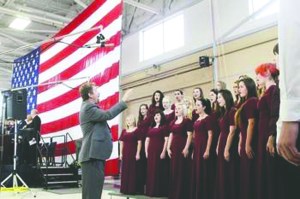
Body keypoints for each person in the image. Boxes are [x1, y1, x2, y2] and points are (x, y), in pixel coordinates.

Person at [78, 82, 132, 199]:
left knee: (93, 193)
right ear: (90, 94)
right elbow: (108, 114)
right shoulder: (88, 108)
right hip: (91, 156)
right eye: (96, 90)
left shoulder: (89, 107)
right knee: (92, 194)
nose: (99, 93)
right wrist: (123, 101)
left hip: (94, 156)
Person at [235, 77, 258, 199]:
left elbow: (251, 123)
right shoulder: (245, 102)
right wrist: (240, 143)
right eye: (238, 87)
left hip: (251, 141)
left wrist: (247, 144)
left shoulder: (251, 101)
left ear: (249, 87)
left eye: (242, 86)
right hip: (244, 139)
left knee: (250, 172)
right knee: (245, 172)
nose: (239, 89)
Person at [215, 89, 239, 199]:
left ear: (226, 97)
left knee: (229, 170)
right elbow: (221, 131)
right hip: (222, 142)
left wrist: (226, 149)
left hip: (229, 144)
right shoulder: (224, 112)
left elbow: (232, 131)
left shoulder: (232, 111)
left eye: (220, 97)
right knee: (222, 171)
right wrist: (218, 145)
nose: (217, 99)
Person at [167, 103, 193, 199]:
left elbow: (189, 135)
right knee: (174, 169)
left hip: (182, 147)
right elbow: (171, 135)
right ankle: (174, 194)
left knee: (182, 169)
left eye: (179, 108)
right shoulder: (172, 122)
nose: (176, 110)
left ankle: (182, 194)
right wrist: (168, 148)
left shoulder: (187, 121)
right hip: (174, 148)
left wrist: (186, 148)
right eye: (176, 108)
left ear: (183, 110)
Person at [190, 98, 214, 199]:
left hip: (204, 146)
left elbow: (210, 135)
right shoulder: (196, 120)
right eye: (196, 105)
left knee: (204, 170)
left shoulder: (208, 118)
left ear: (204, 107)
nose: (196, 107)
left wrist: (208, 149)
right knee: (197, 170)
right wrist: (194, 151)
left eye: (198, 105)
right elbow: (194, 137)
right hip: (197, 147)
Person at [145, 110, 169, 197]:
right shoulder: (151, 128)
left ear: (161, 117)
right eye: (155, 115)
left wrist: (163, 151)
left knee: (158, 170)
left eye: (158, 115)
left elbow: (166, 140)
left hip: (159, 151)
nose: (156, 116)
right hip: (151, 152)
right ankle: (150, 191)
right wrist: (146, 151)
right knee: (151, 171)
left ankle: (158, 191)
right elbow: (147, 140)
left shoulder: (164, 127)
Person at [119, 114, 142, 195]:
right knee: (125, 170)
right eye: (127, 120)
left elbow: (139, 142)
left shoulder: (137, 130)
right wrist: (121, 153)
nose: (128, 121)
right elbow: (121, 143)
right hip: (125, 153)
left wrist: (138, 153)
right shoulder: (124, 131)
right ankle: (124, 189)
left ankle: (131, 189)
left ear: (134, 121)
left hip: (133, 152)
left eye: (130, 120)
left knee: (132, 170)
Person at [136, 104, 151, 194]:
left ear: (147, 110)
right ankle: (140, 188)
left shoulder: (149, 119)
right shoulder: (140, 120)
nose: (142, 110)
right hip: (140, 143)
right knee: (141, 165)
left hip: (147, 142)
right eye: (141, 109)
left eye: (144, 109)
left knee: (146, 165)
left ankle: (147, 187)